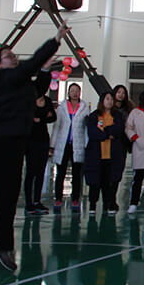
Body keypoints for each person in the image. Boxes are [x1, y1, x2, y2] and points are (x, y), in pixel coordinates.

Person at [0, 28, 65, 272]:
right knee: (8, 193)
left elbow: (37, 90)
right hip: (5, 139)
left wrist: (44, 70)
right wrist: (55, 40)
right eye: (8, 55)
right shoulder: (3, 78)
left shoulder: (16, 82)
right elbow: (29, 66)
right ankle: (4, 245)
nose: (13, 57)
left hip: (14, 139)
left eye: (13, 54)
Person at [84, 90, 127, 214]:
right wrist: (107, 135)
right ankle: (92, 205)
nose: (110, 101)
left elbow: (118, 129)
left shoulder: (117, 116)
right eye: (107, 99)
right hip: (96, 155)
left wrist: (104, 131)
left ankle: (108, 204)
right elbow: (92, 132)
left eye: (112, 99)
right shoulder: (94, 116)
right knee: (95, 181)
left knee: (110, 182)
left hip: (112, 155)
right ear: (102, 101)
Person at [49, 82, 87, 214]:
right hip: (63, 144)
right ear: (68, 93)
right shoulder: (62, 108)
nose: (74, 93)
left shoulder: (84, 107)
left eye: (77, 90)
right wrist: (52, 145)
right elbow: (57, 127)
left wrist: (86, 144)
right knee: (61, 173)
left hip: (77, 144)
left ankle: (75, 198)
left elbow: (85, 128)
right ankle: (58, 198)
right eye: (72, 90)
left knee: (77, 174)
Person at [24, 90, 58, 215]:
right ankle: (29, 203)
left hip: (43, 139)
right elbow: (27, 116)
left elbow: (53, 117)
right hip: (30, 139)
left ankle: (37, 201)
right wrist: (43, 117)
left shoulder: (47, 101)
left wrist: (40, 118)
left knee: (40, 171)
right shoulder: (29, 100)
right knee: (30, 172)